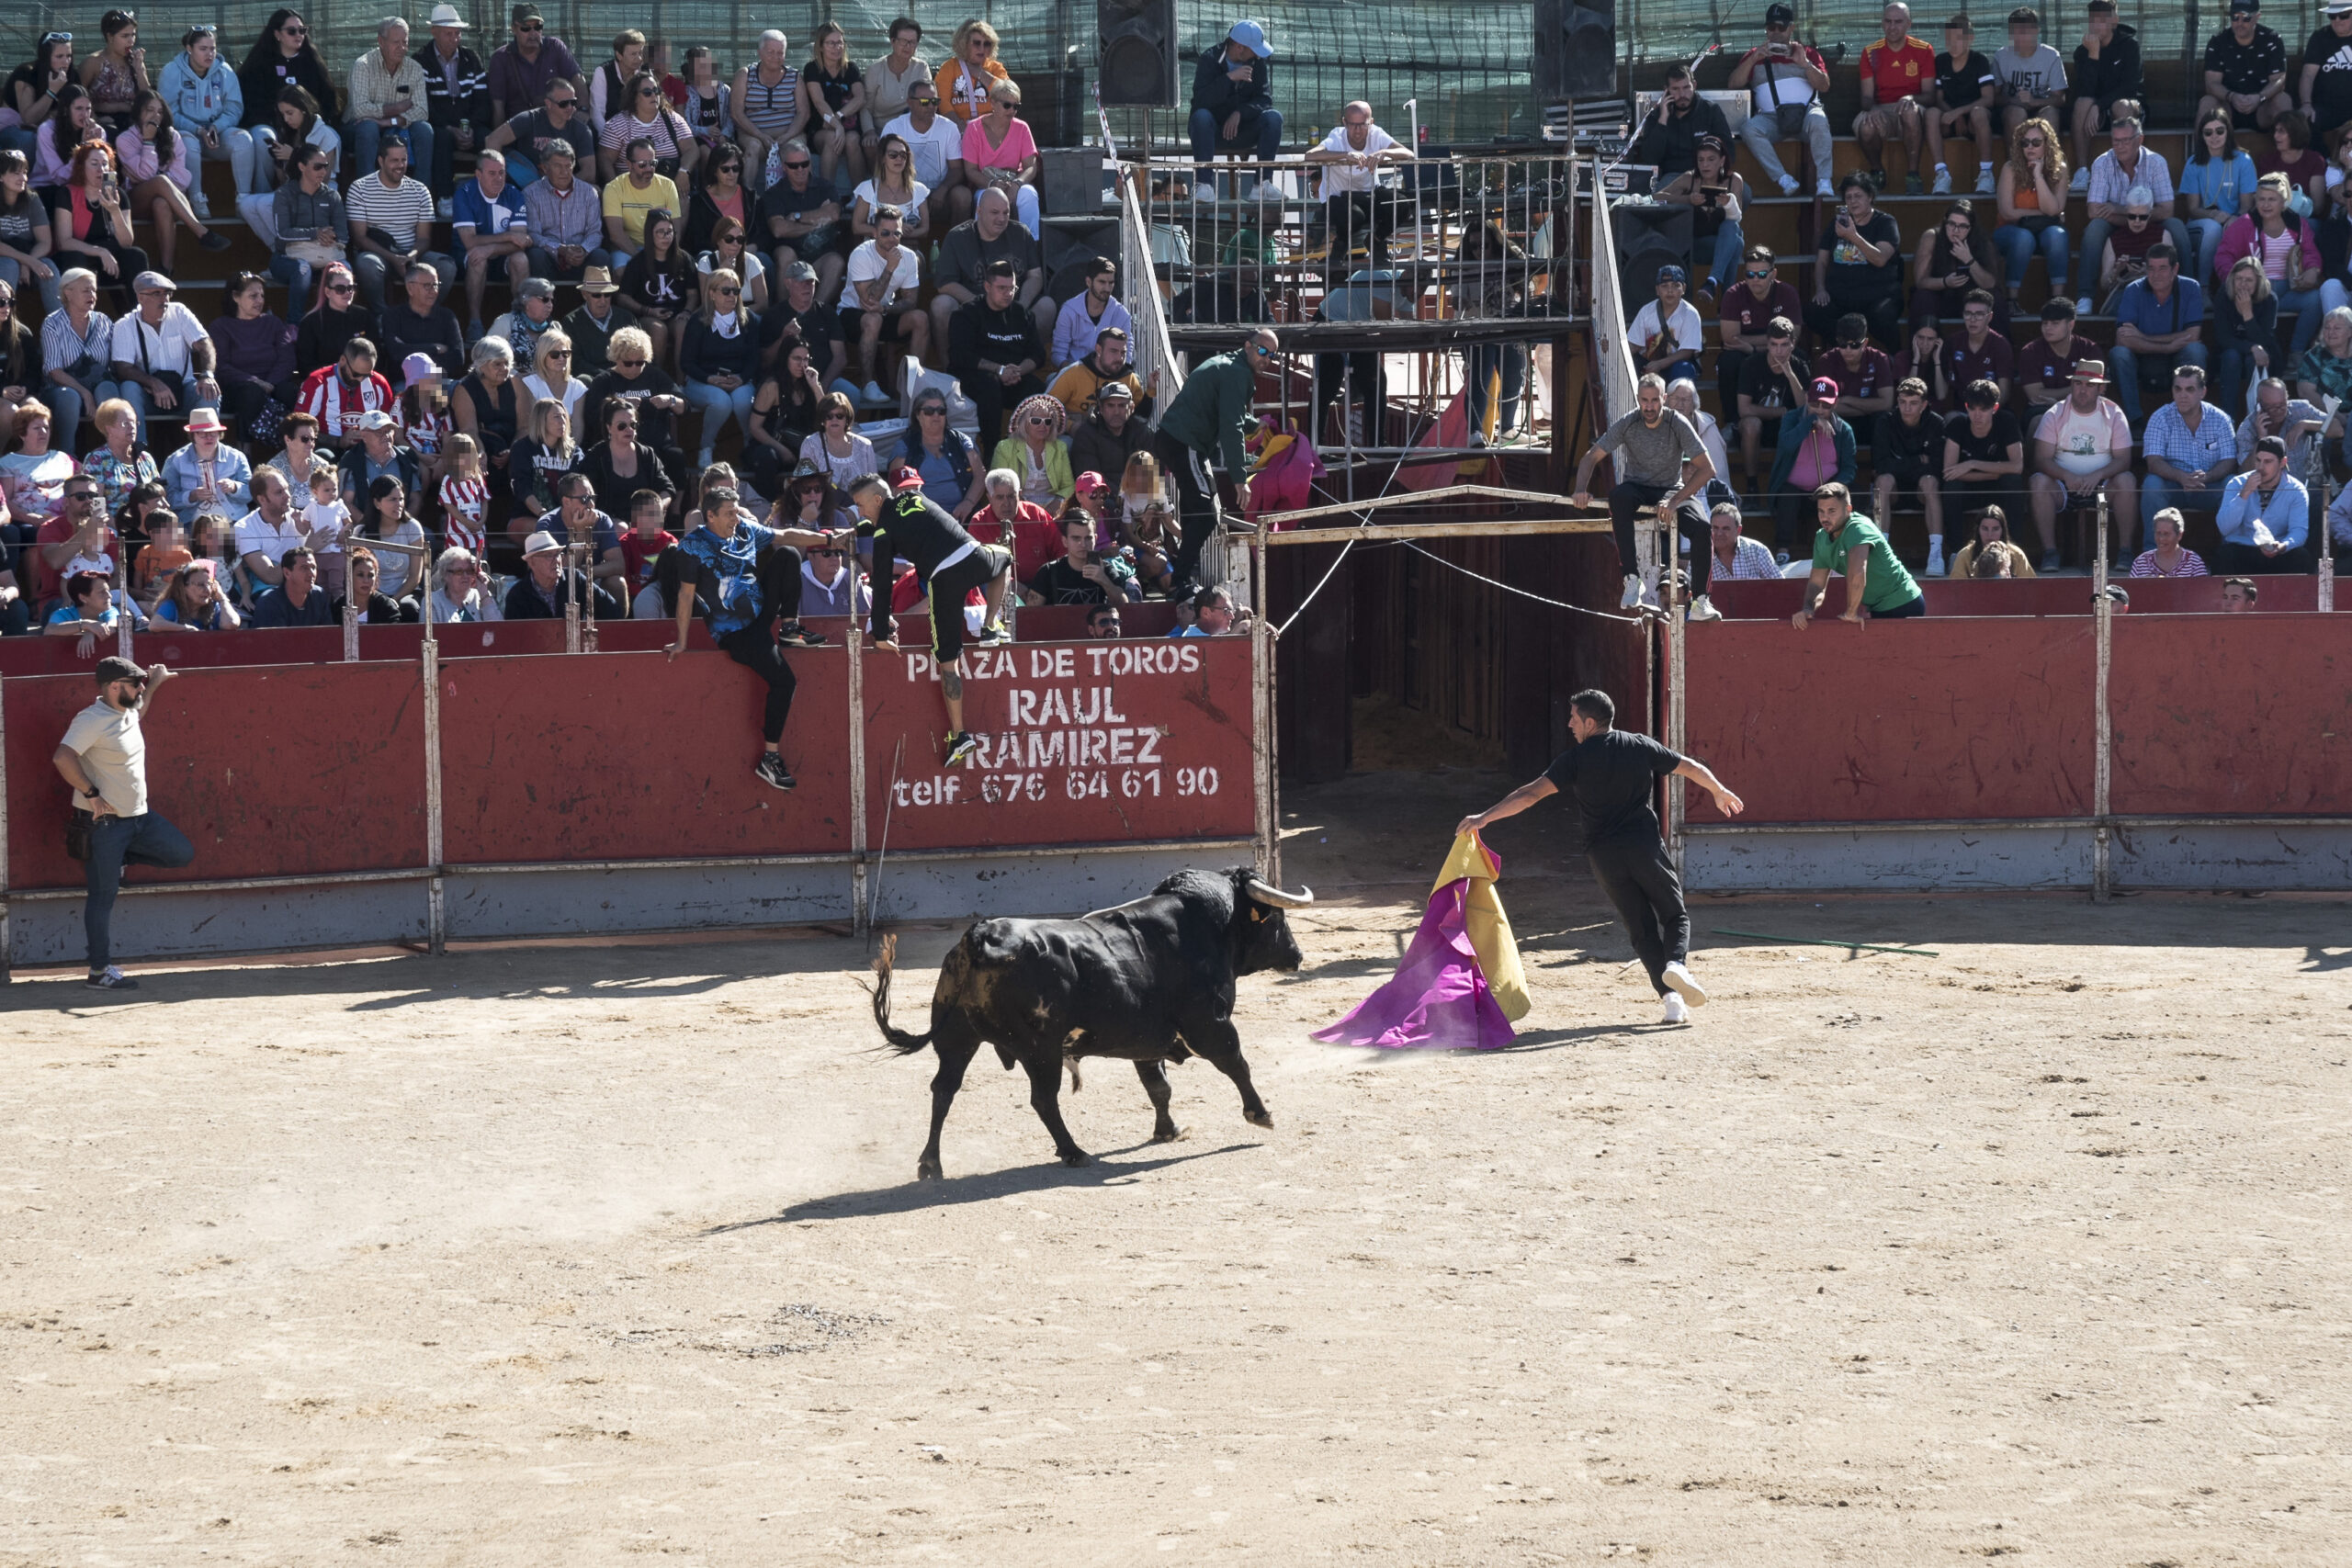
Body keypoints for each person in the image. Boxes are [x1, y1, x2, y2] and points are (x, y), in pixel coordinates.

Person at [1455, 687, 1742, 1028]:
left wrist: (1484, 817)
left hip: (1605, 857)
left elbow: (1530, 794)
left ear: (1590, 722)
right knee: (1674, 914)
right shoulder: (1638, 745)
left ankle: (1672, 1003)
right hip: (1643, 847)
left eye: (1574, 717)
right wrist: (1718, 790)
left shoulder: (1574, 760)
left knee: (1640, 929)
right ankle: (1676, 965)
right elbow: (1690, 767)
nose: (1569, 724)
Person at [661, 480, 836, 787]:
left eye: (736, 512)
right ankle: (770, 758)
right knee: (785, 681)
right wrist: (682, 640)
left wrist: (828, 537)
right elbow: (686, 596)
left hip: (761, 615)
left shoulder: (744, 531)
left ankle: (790, 627)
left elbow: (787, 535)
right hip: (735, 633)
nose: (735, 519)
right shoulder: (692, 547)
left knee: (788, 555)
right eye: (729, 514)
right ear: (710, 517)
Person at [851, 471, 1014, 766]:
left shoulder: (882, 532)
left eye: (862, 506)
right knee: (1004, 557)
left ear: (877, 500)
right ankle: (991, 625)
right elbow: (895, 517)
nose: (861, 512)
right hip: (973, 556)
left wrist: (881, 635)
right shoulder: (915, 497)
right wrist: (862, 525)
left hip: (943, 580)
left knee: (947, 662)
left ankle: (960, 734)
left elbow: (883, 582)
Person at [53, 655, 190, 990]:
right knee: (102, 897)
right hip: (104, 824)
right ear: (115, 687)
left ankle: (121, 857)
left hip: (138, 819)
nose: (140, 688)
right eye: (135, 683)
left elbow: (138, 709)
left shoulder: (125, 710)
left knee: (180, 853)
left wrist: (154, 684)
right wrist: (90, 793)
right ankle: (99, 971)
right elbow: (62, 757)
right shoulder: (91, 719)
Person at [1570, 372, 1718, 615]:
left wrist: (1675, 500)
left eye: (1654, 400)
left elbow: (1707, 469)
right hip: (1637, 488)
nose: (1649, 407)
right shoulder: (1630, 421)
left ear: (1665, 398)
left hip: (1671, 489)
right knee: (1618, 497)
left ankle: (1701, 601)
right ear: (1638, 399)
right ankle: (1631, 579)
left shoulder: (1677, 422)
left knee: (1702, 527)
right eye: (1644, 400)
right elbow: (1591, 458)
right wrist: (1580, 490)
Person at [1152, 327, 1274, 590]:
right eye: (1263, 351)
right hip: (1185, 442)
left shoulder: (1229, 365)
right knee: (1207, 515)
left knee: (1196, 511)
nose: (1267, 359)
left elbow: (1227, 412)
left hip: (1176, 440)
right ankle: (1181, 578)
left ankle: (1182, 574)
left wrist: (1254, 424)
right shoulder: (1238, 373)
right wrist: (1240, 479)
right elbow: (1230, 427)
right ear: (1248, 346)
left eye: (1272, 355)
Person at [2029, 359, 2137, 570]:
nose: (2082, 390)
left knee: (2127, 480)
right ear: (2072, 385)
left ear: (2101, 388)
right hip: (2063, 487)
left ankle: (2125, 552)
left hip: (2103, 486)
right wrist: (2066, 476)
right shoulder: (2055, 413)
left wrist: (2098, 475)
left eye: (2089, 385)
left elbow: (2124, 460)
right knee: (2038, 482)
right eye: (2078, 383)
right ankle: (2050, 553)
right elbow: (2041, 459)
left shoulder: (2114, 414)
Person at [929, 186, 1049, 356]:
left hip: (1014, 308)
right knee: (940, 305)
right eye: (995, 212)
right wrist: (983, 306)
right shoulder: (957, 237)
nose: (1001, 218)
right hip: (974, 310)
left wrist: (1021, 305)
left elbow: (1035, 275)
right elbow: (945, 284)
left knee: (1047, 306)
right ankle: (950, 371)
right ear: (979, 211)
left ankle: (1026, 367)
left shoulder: (1021, 233)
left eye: (1006, 213)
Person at [1731, 3, 1834, 199]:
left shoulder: (1808, 53)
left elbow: (1824, 86)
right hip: (1771, 118)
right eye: (1771, 28)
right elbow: (1734, 84)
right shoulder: (1754, 54)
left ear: (1791, 28)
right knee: (1749, 129)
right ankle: (1783, 179)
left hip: (1806, 115)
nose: (1776, 32)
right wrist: (1753, 59)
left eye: (1781, 27)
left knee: (1820, 120)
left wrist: (1805, 64)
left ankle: (1824, 181)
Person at [1794, 481, 1927, 625]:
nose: (1825, 518)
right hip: (1877, 609)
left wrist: (1851, 612)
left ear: (1848, 509)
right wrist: (1808, 609)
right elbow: (1817, 584)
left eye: (1832, 511)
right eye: (1821, 511)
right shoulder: (1821, 537)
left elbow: (1857, 572)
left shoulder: (1859, 528)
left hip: (1905, 603)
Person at [2140, 363, 2240, 548]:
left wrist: (2208, 476)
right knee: (2152, 484)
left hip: (2208, 485)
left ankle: (2230, 553)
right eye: (2178, 389)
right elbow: (2153, 462)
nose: (2182, 395)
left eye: (2190, 389)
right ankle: (2151, 554)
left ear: (2203, 392)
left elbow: (2229, 460)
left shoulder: (2220, 419)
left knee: (2232, 484)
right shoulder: (2160, 417)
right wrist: (2180, 476)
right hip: (2174, 486)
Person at [949, 257, 1046, 447]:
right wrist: (998, 370)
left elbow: (1038, 354)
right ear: (987, 286)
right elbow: (960, 356)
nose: (1008, 293)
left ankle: (1034, 450)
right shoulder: (966, 314)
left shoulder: (1022, 314)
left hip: (1014, 377)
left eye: (1012, 288)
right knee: (990, 387)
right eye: (1002, 288)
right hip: (976, 380)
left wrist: (1017, 371)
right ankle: (992, 450)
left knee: (1038, 391)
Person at [346, 139, 452, 312]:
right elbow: (360, 238)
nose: (400, 165)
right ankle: (382, 316)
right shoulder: (360, 189)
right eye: (394, 160)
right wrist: (393, 258)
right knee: (367, 264)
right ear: (381, 161)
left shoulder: (420, 190)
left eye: (403, 160)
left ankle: (422, 313)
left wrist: (410, 256)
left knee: (446, 266)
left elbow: (425, 238)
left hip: (412, 255)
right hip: (379, 254)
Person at [2107, 244, 2206, 426]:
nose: (2156, 274)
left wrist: (2142, 337)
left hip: (2177, 358)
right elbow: (2123, 339)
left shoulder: (2191, 287)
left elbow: (2192, 336)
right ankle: (2134, 420)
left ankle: (2187, 419)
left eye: (2162, 268)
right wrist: (2167, 345)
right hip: (2142, 359)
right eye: (2151, 268)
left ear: (2175, 269)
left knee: (2196, 350)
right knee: (2119, 354)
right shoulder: (2133, 289)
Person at [1764, 378, 1855, 563]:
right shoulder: (1792, 418)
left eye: (1826, 406)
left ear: (1835, 404)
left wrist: (1833, 488)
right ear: (1806, 399)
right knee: (1787, 495)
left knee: (1847, 499)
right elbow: (1786, 444)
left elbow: (1849, 468)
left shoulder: (1844, 430)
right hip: (1793, 490)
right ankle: (1783, 550)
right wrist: (1810, 421)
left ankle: (1840, 551)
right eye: (1815, 404)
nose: (1820, 410)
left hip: (1825, 491)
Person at [1187, 20, 1280, 202]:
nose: (1257, 54)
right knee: (1201, 117)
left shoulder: (1257, 63)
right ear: (1239, 47)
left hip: (1243, 129)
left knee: (1273, 118)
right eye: (1254, 49)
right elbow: (1200, 101)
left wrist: (1240, 113)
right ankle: (1204, 186)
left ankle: (1262, 185)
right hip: (1212, 133)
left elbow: (1265, 99)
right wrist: (1229, 78)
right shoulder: (1210, 59)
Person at [1806, 175, 1903, 349]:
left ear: (1870, 197)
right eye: (1848, 197)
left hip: (1877, 295)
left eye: (1858, 196)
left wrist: (1853, 237)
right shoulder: (1836, 224)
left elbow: (1880, 259)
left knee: (1884, 317)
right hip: (1841, 296)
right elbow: (1821, 261)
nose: (1853, 201)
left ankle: (1895, 363)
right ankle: (1844, 350)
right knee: (1813, 312)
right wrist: (1820, 289)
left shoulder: (1885, 223)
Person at [1939, 378, 2026, 558]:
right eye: (1972, 409)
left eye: (1983, 409)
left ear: (1994, 408)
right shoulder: (1957, 425)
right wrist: (1995, 472)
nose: (1977, 415)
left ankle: (2014, 551)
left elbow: (2017, 467)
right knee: (1951, 489)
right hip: (1969, 491)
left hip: (1998, 491)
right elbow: (1949, 472)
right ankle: (1955, 552)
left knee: (2014, 482)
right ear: (1966, 407)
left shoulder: (2007, 421)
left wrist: (1972, 464)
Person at [1990, 115, 2069, 309]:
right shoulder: (2010, 168)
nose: (2030, 148)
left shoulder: (2060, 169)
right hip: (2010, 231)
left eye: (2036, 142)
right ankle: (2012, 300)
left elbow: (2054, 208)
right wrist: (2044, 215)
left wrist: (2038, 177)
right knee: (2024, 237)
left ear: (2047, 144)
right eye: (2025, 143)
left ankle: (2056, 302)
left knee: (2058, 235)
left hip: (2044, 231)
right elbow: (2007, 212)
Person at [1857, 4, 1937, 194]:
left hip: (1912, 108)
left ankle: (1913, 174)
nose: (1892, 26)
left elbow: (1930, 96)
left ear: (1908, 24)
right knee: (1866, 126)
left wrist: (1911, 98)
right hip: (1880, 107)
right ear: (1882, 23)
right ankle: (1877, 171)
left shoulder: (1924, 49)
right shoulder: (1871, 52)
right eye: (1888, 21)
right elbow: (1866, 98)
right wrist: (1873, 109)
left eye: (1898, 22)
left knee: (1910, 111)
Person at [346, 17, 432, 187]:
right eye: (396, 42)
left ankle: (422, 195)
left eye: (405, 42)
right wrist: (398, 108)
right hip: (357, 126)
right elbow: (360, 111)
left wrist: (388, 121)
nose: (402, 48)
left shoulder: (414, 68)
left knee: (424, 130)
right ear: (381, 41)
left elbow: (422, 110)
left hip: (395, 125)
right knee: (368, 128)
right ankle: (367, 194)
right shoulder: (363, 65)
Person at [450, 149, 529, 334]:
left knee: (521, 259)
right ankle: (475, 322)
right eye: (492, 173)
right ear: (478, 174)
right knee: (477, 258)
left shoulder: (514, 194)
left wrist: (492, 247)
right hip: (467, 256)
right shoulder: (465, 194)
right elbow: (470, 242)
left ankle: (520, 322)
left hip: (501, 256)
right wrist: (507, 236)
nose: (498, 178)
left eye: (501, 172)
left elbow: (521, 240)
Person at [2179, 109, 2258, 289]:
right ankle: (2204, 288)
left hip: (2235, 220)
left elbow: (2247, 206)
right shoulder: (2193, 163)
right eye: (2208, 132)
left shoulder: (2244, 160)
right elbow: (2192, 209)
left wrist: (2234, 219)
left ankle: (2235, 289)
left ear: (2228, 132)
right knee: (2214, 228)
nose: (2214, 136)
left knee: (2239, 227)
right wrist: (2214, 214)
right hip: (2202, 223)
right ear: (2202, 136)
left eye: (2219, 131)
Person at [1873, 378, 1948, 567]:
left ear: (1924, 405)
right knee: (1883, 481)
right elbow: (1880, 465)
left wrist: (1899, 464)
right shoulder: (1885, 422)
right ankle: (1880, 552)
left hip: (1922, 491)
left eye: (1913, 403)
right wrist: (1917, 461)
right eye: (1902, 402)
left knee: (1930, 481)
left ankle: (1936, 554)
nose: (1907, 408)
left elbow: (1937, 467)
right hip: (1894, 492)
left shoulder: (1936, 423)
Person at [755, 136, 842, 298]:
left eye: (805, 164)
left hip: (821, 255)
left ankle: (817, 311)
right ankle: (783, 312)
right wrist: (817, 222)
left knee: (835, 262)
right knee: (785, 254)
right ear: (784, 168)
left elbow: (834, 214)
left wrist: (795, 217)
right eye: (794, 166)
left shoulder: (825, 187)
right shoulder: (774, 194)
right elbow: (779, 229)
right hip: (789, 253)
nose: (800, 169)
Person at [2212, 432, 2312, 572]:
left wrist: (2283, 545)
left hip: (2278, 551)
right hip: (2243, 549)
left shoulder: (2296, 490)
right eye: (2258, 460)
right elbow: (2224, 528)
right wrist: (2244, 495)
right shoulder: (2237, 484)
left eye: (2268, 462)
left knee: (2301, 557)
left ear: (2283, 462)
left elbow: (2299, 531)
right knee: (2224, 556)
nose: (2260, 467)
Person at [2069, 0, 2143, 184]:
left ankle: (2127, 171)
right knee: (2082, 103)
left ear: (2114, 21)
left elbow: (2130, 87)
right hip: (2097, 111)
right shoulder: (2082, 52)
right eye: (2092, 20)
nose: (2096, 25)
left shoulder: (2129, 46)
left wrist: (2099, 105)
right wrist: (2093, 55)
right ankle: (2082, 171)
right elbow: (2085, 90)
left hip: (2127, 106)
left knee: (2121, 105)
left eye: (2102, 20)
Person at [1928, 14, 1998, 196]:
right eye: (1949, 39)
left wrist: (1961, 112)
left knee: (1979, 113)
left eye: (1959, 38)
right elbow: (1938, 98)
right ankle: (1941, 174)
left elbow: (1988, 99)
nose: (1953, 43)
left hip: (1973, 119)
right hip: (1949, 118)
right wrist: (1953, 114)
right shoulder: (1941, 61)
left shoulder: (1980, 61)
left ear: (1970, 39)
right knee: (1932, 114)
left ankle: (1986, 174)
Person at [960, 80, 1039, 240]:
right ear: (993, 103)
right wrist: (992, 185)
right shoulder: (974, 128)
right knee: (986, 200)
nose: (1011, 110)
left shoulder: (1022, 127)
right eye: (1007, 105)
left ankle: (1032, 245)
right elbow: (970, 170)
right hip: (985, 184)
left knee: (1029, 195)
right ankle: (984, 249)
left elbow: (1031, 167)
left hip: (1014, 181)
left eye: (1016, 106)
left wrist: (1017, 184)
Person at [1629, 62, 1734, 182]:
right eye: (1675, 89)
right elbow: (1650, 158)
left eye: (1686, 87)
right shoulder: (1656, 116)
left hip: (1708, 175)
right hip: (1673, 178)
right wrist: (1663, 120)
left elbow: (1729, 152)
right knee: (1661, 194)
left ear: (1694, 85)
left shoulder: (1711, 111)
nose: (1682, 94)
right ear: (1666, 90)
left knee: (1744, 192)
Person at [882, 78, 966, 228]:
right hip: (904, 189)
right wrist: (912, 193)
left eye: (935, 101)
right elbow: (885, 169)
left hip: (939, 192)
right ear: (910, 102)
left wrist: (943, 189)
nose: (931, 106)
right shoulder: (894, 127)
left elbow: (957, 169)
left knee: (962, 196)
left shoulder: (949, 128)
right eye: (925, 101)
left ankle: (956, 244)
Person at [485, 76, 594, 188]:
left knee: (595, 190)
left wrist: (559, 187)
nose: (570, 107)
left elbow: (589, 173)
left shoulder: (581, 130)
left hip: (564, 188)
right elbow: (492, 140)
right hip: (526, 187)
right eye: (564, 104)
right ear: (548, 103)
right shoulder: (528, 119)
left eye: (573, 102)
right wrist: (497, 179)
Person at [2202, 0, 2292, 133]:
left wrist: (2259, 97)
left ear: (2257, 17)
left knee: (2283, 100)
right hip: (2228, 107)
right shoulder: (2217, 42)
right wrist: (2231, 97)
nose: (2240, 23)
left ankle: (2290, 153)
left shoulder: (2272, 39)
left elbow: (2279, 81)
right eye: (2235, 17)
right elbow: (2211, 84)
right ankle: (2201, 154)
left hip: (2262, 106)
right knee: (2207, 102)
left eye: (2246, 18)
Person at [728, 29, 803, 184]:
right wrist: (760, 136)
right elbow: (736, 113)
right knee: (753, 148)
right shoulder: (745, 75)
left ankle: (803, 197)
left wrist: (787, 137)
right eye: (770, 52)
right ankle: (747, 197)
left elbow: (804, 113)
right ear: (759, 52)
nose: (776, 57)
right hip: (753, 134)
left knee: (798, 151)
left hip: (789, 134)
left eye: (780, 53)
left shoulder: (795, 77)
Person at [598, 69, 696, 186]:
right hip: (632, 191)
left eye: (656, 90)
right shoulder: (617, 124)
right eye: (647, 92)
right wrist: (615, 188)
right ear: (634, 97)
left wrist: (683, 172)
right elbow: (605, 159)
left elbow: (692, 149)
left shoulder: (673, 119)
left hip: (669, 189)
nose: (654, 95)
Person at [299, 336, 395, 451]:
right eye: (356, 374)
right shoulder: (317, 382)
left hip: (368, 449)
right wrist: (338, 441)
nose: (360, 380)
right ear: (342, 360)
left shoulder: (379, 384)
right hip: (328, 448)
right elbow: (300, 429)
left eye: (367, 375)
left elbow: (390, 426)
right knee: (323, 453)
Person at [2238, 375, 2327, 489]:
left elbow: (2337, 429)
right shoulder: (2247, 428)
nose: (2279, 411)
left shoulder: (2300, 409)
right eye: (2273, 407)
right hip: (2267, 492)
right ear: (2260, 405)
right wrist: (2262, 440)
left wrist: (2305, 424)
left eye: (2282, 405)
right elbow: (2244, 472)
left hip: (2303, 486)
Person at [1993, 6, 2067, 141]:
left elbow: (2060, 99)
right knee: (2016, 113)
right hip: (2012, 109)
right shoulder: (2001, 56)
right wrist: (2013, 100)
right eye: (2013, 32)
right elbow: (1994, 97)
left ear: (2036, 31)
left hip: (2042, 107)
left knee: (2050, 115)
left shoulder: (2051, 55)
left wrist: (2034, 102)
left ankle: (2049, 161)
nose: (2018, 37)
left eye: (2023, 32)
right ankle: (2014, 161)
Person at [849, 133, 933, 252]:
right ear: (883, 158)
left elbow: (925, 229)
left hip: (908, 251)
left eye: (903, 155)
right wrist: (894, 231)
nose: (899, 159)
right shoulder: (868, 188)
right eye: (893, 155)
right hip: (874, 252)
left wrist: (899, 234)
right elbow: (857, 227)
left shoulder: (919, 190)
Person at [1628, 265, 1703, 387]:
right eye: (1664, 286)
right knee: (1628, 367)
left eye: (1675, 286)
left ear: (1683, 288)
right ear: (1657, 290)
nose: (1670, 291)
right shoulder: (1646, 311)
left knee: (1685, 370)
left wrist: (1660, 364)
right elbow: (1634, 344)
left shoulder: (1691, 314)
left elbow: (1687, 351)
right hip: (1647, 363)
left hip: (1676, 363)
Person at [1820, 313, 1895, 423]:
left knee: (1882, 417)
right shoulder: (1827, 360)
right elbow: (1825, 406)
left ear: (1865, 343)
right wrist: (1867, 409)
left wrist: (1847, 400)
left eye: (1855, 345)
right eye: (1843, 344)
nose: (1848, 350)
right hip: (1840, 422)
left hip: (1872, 422)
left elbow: (1887, 403)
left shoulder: (1879, 359)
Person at [933, 20, 1007, 129]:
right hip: (957, 128)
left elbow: (1008, 96)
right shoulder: (949, 67)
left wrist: (980, 73)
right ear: (964, 44)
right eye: (976, 43)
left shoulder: (996, 68)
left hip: (991, 129)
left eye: (987, 44)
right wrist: (960, 127)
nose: (982, 49)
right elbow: (942, 102)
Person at [2301, 0, 2352, 144]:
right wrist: (2306, 104)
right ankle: (2320, 163)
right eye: (2332, 16)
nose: (2337, 20)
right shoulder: (2320, 37)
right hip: (2324, 107)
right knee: (2304, 121)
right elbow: (2308, 75)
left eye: (2343, 16)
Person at [1705, 500, 1780, 581]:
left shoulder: (1758, 551)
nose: (1719, 533)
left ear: (1738, 530)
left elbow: (1782, 586)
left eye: (1726, 528)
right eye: (1715, 528)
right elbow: (1692, 592)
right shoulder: (1701, 556)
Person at [2129, 505, 2211, 577]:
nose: (2161, 538)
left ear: (2179, 535)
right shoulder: (2141, 562)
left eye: (2166, 534)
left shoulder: (2194, 562)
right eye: (2158, 533)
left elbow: (2202, 592)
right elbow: (2130, 592)